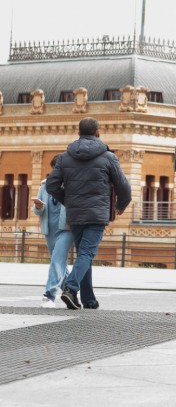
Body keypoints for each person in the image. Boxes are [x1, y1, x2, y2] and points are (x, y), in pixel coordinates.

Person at [45, 117, 130, 310]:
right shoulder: (109, 157)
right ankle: (71, 288)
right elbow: (124, 186)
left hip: (75, 214)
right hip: (97, 213)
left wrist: (68, 200)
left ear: (78, 133)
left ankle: (88, 300)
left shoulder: (65, 157)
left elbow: (51, 185)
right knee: (86, 253)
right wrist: (121, 205)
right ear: (98, 133)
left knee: (84, 254)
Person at [33, 156, 72, 308]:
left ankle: (49, 296)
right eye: (55, 168)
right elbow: (38, 211)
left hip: (66, 229)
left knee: (56, 261)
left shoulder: (71, 185)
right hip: (49, 229)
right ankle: (72, 294)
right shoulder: (44, 185)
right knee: (59, 263)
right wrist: (38, 207)